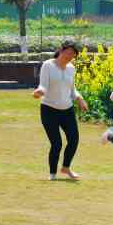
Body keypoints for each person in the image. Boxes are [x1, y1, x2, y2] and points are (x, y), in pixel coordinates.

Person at [33, 41, 88, 181]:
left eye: (73, 54)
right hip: (49, 110)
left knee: (74, 139)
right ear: (61, 51)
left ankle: (66, 167)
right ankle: (52, 174)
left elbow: (72, 90)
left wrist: (80, 99)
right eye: (68, 52)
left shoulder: (71, 68)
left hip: (67, 109)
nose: (70, 56)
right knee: (56, 143)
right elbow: (43, 85)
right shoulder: (48, 65)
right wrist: (40, 91)